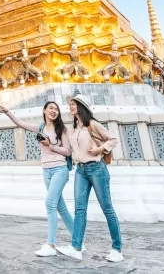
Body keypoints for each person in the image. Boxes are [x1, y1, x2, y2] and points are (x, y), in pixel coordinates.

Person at [0, 101, 77, 257]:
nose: (54, 111)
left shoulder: (62, 129)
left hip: (60, 169)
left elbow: (67, 151)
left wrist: (50, 145)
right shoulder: (40, 128)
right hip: (46, 170)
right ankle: (78, 240)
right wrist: (7, 111)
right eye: (51, 108)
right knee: (61, 207)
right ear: (44, 110)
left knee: (50, 203)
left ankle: (51, 245)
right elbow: (20, 123)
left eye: (56, 109)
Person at [56, 95, 124, 263]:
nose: (70, 107)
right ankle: (76, 247)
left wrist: (100, 149)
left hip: (96, 169)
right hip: (81, 171)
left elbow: (113, 139)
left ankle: (117, 249)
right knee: (80, 209)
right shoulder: (75, 128)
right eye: (70, 104)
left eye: (73, 104)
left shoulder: (92, 124)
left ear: (81, 106)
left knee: (107, 209)